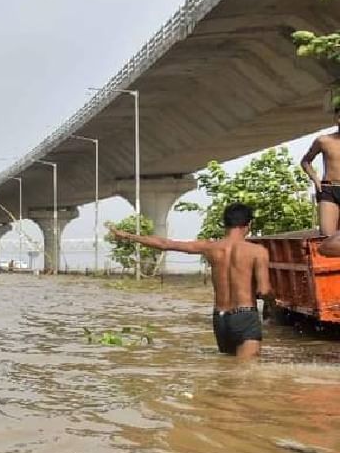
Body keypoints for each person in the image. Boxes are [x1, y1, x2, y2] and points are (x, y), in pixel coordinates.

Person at [110, 202, 272, 359]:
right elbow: (264, 291)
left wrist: (128, 236)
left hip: (220, 318)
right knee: (247, 374)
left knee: (227, 370)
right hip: (244, 316)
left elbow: (165, 244)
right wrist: (274, 301)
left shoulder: (210, 247)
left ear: (225, 224)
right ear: (248, 224)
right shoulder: (257, 252)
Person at [299, 103, 340, 238]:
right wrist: (316, 180)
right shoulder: (324, 140)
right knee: (327, 237)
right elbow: (305, 161)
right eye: (339, 117)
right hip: (329, 189)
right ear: (335, 118)